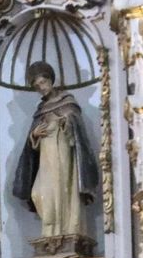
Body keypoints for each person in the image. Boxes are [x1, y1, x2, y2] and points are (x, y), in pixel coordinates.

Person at [10, 60, 99, 244]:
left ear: (51, 80)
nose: (41, 88)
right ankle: (50, 231)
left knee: (64, 191)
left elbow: (76, 131)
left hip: (63, 155)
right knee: (39, 193)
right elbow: (32, 144)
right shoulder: (41, 110)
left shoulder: (68, 102)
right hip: (45, 158)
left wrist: (66, 123)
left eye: (43, 83)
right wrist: (34, 135)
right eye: (37, 86)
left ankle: (67, 231)